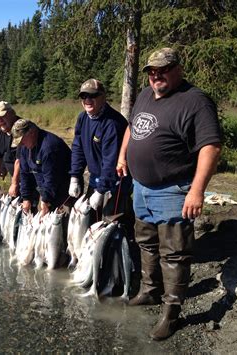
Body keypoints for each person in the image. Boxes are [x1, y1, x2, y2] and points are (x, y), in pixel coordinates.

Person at [116, 48, 222, 341]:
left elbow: (210, 147)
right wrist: (124, 156)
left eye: (162, 70)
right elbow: (132, 127)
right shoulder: (145, 94)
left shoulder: (195, 101)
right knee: (146, 242)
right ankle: (150, 291)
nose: (156, 76)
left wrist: (197, 191)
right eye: (151, 71)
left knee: (174, 254)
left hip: (173, 190)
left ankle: (171, 314)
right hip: (141, 187)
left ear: (178, 69)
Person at [69, 78, 131, 220]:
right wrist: (75, 176)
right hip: (95, 178)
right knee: (92, 219)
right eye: (84, 96)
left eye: (92, 96)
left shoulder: (113, 124)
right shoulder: (83, 118)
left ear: (103, 97)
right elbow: (78, 148)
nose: (87, 100)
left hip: (115, 182)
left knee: (112, 222)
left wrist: (101, 190)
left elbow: (111, 161)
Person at [11, 119, 71, 217]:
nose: (21, 144)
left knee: (62, 224)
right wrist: (26, 198)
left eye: (22, 140)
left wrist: (45, 201)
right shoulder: (25, 147)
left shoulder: (49, 147)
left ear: (31, 133)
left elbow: (51, 178)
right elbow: (24, 173)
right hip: (45, 189)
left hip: (63, 191)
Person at [0, 101, 21, 199]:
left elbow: (19, 161)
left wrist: (14, 184)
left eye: (3, 116)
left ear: (12, 114)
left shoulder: (21, 129)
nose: (0, 121)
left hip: (31, 178)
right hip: (16, 178)